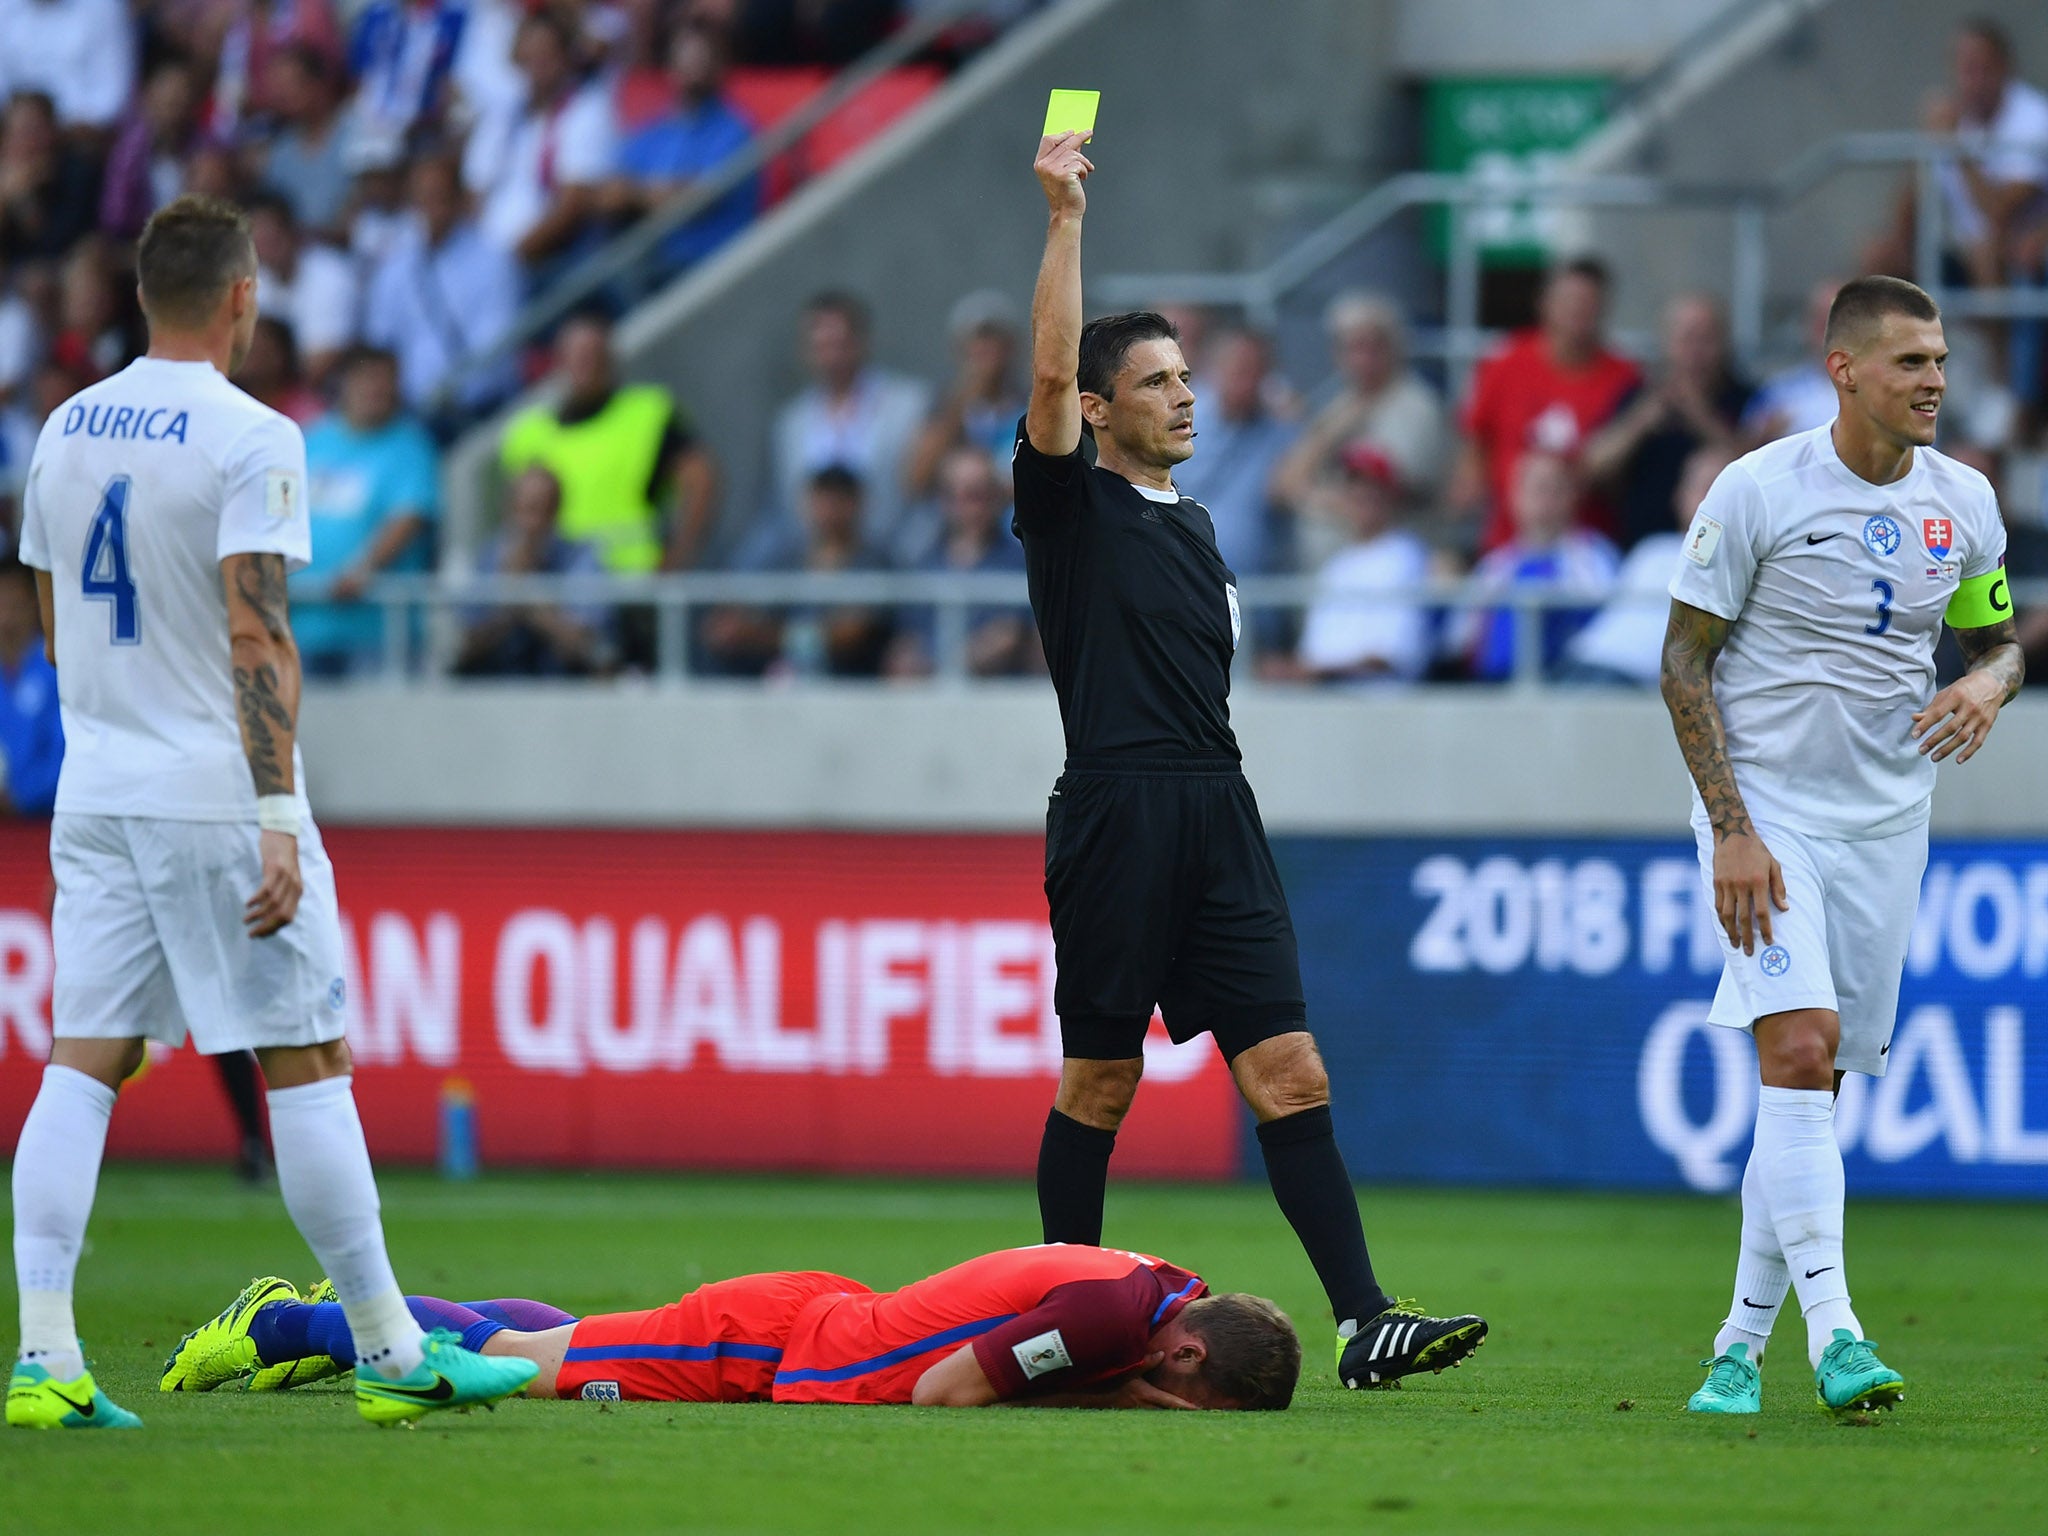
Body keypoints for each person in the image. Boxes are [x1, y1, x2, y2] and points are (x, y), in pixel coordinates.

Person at [6, 195, 536, 1431]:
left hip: (97, 786)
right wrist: (277, 811)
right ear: (243, 298)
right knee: (306, 1059)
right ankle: (396, 1355)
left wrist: (94, 753)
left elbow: (43, 610)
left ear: (143, 295)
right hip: (212, 791)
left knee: (85, 1059)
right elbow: (258, 629)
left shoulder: (61, 429)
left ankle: (44, 1358)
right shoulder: (255, 435)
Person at [1015, 128, 1486, 1391]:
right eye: (1155, 381)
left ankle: (1362, 1321)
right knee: (1102, 1079)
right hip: (1119, 807)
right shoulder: (1068, 507)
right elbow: (1050, 371)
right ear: (1101, 410)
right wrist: (1064, 219)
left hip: (1219, 810)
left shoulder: (1205, 525)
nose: (1181, 395)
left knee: (1288, 1065)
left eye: (1184, 377)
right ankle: (1050, 1328)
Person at [1661, 275, 2023, 1418]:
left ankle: (1736, 1345)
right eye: (1911, 362)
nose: (1933, 382)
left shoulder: (1963, 501)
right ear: (1845, 370)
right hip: (1764, 818)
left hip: (1884, 826)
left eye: (1941, 362)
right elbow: (1680, 663)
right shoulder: (1757, 487)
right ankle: (1838, 1337)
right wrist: (1729, 830)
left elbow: (2000, 642)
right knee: (1797, 1048)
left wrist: (1988, 685)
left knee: (1812, 1088)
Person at [163, 1244, 1301, 1411]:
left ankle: (316, 1320)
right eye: (1185, 1402)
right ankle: (286, 1323)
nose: (1167, 1412)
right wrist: (1117, 1398)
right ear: (1186, 1353)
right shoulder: (1113, 1316)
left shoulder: (1140, 1290)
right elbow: (938, 1393)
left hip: (796, 1323)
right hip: (769, 1343)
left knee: (563, 1339)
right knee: (518, 1364)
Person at [500, 310, 717, 575]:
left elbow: (700, 478)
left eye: (593, 356)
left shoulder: (648, 413)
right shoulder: (526, 434)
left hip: (630, 581)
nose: (585, 366)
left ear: (610, 359)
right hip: (556, 582)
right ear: (558, 362)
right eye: (576, 356)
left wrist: (677, 558)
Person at [1451, 256, 1641, 550]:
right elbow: (1475, 440)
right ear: (1544, 303)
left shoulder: (1624, 377)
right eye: (1569, 300)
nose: (1578, 310)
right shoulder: (1505, 361)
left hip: (1589, 545)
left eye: (1588, 302)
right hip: (1507, 541)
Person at [1862, 19, 2048, 293]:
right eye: (1966, 69)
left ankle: (1997, 338)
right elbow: (1907, 213)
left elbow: (1997, 214)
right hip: (1965, 250)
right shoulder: (1952, 118)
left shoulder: (2033, 119)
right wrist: (1923, 147)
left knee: (1986, 253)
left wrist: (1958, 149)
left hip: (2020, 251)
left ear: (2005, 67)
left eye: (1983, 68)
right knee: (1879, 256)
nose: (1974, 81)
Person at [1270, 291, 1446, 569]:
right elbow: (1282, 485)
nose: (1362, 359)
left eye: (1373, 346)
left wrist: (1314, 498)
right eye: (1352, 347)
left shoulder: (1416, 406)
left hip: (1388, 573)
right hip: (1331, 576)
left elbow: (1379, 500)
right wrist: (1335, 429)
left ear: (1394, 347)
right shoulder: (1339, 403)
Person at [296, 347, 438, 677]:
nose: (375, 389)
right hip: (304, 625)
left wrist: (363, 570)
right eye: (365, 379)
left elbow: (409, 517)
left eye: (384, 381)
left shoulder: (412, 447)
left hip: (376, 631)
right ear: (343, 383)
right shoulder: (310, 439)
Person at [1583, 293, 1754, 551]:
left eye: (1705, 338)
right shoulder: (1638, 397)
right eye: (1686, 338)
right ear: (1666, 343)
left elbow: (1758, 475)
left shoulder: (1747, 400)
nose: (1695, 351)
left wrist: (1702, 419)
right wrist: (1640, 423)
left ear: (1724, 343)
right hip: (1645, 557)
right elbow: (1592, 468)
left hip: (1723, 553)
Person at [362, 152, 522, 426]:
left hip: (480, 410)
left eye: (440, 195)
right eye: (423, 197)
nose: (432, 206)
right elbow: (381, 346)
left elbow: (498, 349)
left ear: (459, 199)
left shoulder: (494, 261)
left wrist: (448, 397)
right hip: (414, 416)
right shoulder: (395, 272)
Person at [768, 290, 929, 557]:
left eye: (840, 343)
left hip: (898, 563)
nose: (832, 356)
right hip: (817, 569)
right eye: (821, 345)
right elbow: (786, 511)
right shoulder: (790, 423)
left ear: (861, 341)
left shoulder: (910, 404)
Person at [1562, 445, 1733, 687]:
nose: (1709, 500)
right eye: (1701, 486)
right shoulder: (1650, 548)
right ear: (1679, 496)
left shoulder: (1737, 565)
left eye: (1720, 489)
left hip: (1633, 682)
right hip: (1580, 663)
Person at [604, 18, 761, 281]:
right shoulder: (652, 132)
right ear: (670, 65)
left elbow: (695, 199)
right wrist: (655, 193)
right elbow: (609, 195)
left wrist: (637, 193)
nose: (691, 68)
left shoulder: (734, 131)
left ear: (719, 66)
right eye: (684, 58)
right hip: (652, 263)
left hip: (710, 268)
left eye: (701, 59)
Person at [465, 5, 619, 270]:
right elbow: (473, 195)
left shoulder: (587, 110)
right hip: (489, 263)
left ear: (565, 57)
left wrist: (506, 264)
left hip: (551, 261)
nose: (539, 66)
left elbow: (572, 206)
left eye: (547, 55)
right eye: (532, 57)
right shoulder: (502, 120)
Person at [705, 463, 893, 678]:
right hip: (782, 674)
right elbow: (745, 600)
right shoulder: (785, 556)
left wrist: (759, 636)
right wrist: (733, 622)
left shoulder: (873, 562)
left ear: (858, 504)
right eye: (822, 501)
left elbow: (847, 636)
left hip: (848, 678)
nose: (829, 512)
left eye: (838, 502)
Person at [1460, 450, 1618, 683]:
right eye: (1536, 488)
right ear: (1514, 495)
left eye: (1555, 488)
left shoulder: (1595, 556)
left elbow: (1604, 635)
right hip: (1491, 691)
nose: (1545, 500)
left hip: (1566, 687)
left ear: (1572, 496)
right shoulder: (1494, 565)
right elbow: (1461, 639)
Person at [1283, 444, 1433, 685]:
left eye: (1372, 487)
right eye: (1354, 486)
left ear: (1389, 496)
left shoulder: (1405, 556)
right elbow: (1314, 653)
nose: (1361, 496)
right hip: (1329, 698)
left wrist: (1318, 671)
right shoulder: (1338, 564)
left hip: (1383, 701)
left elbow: (1391, 657)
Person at [884, 443, 1033, 679]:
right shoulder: (922, 565)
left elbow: (1011, 636)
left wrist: (944, 667)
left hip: (998, 700)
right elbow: (906, 639)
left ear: (996, 497)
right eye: (956, 495)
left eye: (979, 495)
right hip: (929, 701)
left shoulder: (1022, 564)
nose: (968, 507)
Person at [455, 465, 612, 676]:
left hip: (564, 692)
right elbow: (466, 649)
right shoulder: (488, 557)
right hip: (496, 690)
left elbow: (585, 649)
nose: (528, 524)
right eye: (521, 509)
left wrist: (530, 599)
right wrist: (506, 609)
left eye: (539, 510)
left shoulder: (580, 558)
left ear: (556, 512)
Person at [1169, 326, 1296, 578]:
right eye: (1240, 370)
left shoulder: (1279, 432)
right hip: (1185, 581)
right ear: (1214, 370)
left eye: (1258, 372)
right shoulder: (1178, 420)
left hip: (1254, 591)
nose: (1249, 382)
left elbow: (1290, 489)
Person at [904, 288, 1028, 506]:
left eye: (996, 342)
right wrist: (961, 401)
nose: (988, 353)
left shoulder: (1030, 407)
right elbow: (916, 480)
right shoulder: (942, 406)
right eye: (979, 342)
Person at [248, 191, 358, 387]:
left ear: (292, 231)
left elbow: (323, 361)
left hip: (330, 391)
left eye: (272, 236)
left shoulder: (331, 273)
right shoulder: (254, 281)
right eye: (259, 239)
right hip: (276, 390)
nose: (266, 245)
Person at [0, 0, 137, 132]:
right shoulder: (4, 7)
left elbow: (112, 93)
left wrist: (76, 124)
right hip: (13, 128)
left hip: (81, 133)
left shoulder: (103, 7)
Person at [1742, 279, 1844, 443]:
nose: (1827, 328)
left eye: (1838, 318)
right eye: (1820, 318)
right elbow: (1743, 451)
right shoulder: (1777, 394)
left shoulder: (1880, 390)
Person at [0, 554, 62, 815]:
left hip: (45, 825)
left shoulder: (57, 669)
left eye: (15, 603)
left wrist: (19, 799)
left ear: (35, 604)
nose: (6, 617)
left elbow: (66, 751)